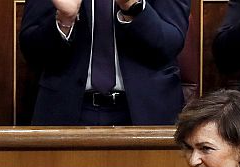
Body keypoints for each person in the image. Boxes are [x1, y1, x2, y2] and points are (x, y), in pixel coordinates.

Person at [19, 0, 190, 126]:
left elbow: (170, 44)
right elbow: (31, 51)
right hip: (66, 109)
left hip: (148, 110)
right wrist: (64, 20)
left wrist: (133, 7)